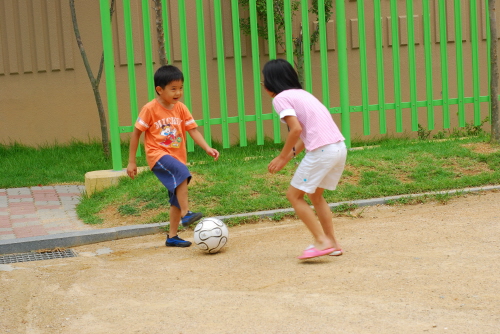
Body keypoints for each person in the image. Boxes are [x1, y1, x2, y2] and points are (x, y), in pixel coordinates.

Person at [262, 59, 347, 260]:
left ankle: (321, 241)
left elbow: (297, 129)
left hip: (323, 152)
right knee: (316, 196)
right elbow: (305, 134)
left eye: (263, 81)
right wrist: (290, 156)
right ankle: (332, 243)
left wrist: (282, 157)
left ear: (271, 83)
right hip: (338, 148)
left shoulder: (280, 98)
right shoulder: (303, 95)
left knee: (294, 196)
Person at [127, 65, 219, 248]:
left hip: (177, 158)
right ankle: (187, 213)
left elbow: (193, 131)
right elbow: (136, 133)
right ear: (159, 89)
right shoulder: (150, 109)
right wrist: (132, 161)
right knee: (183, 173)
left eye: (181, 88)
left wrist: (207, 148)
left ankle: (172, 237)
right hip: (157, 155)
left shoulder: (181, 109)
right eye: (173, 88)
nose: (178, 92)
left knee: (176, 196)